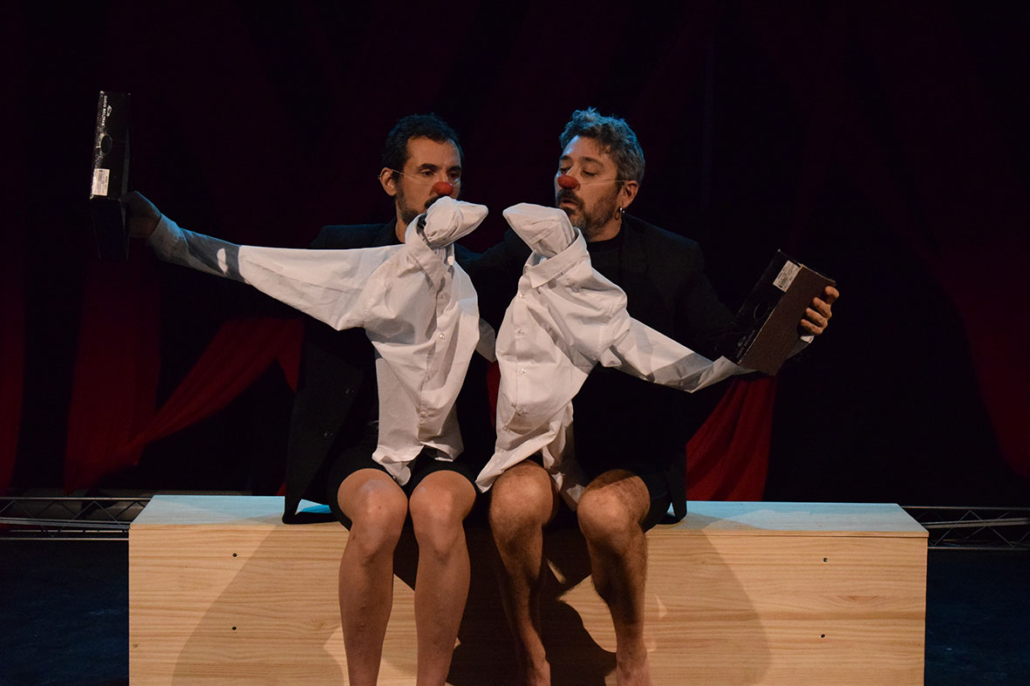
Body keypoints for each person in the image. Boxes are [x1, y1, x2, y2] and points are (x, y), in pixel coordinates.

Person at [474, 109, 838, 686]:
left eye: (588, 170)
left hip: (634, 453)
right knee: (512, 504)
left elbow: (725, 345)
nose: (567, 179)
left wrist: (794, 334)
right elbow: (461, 289)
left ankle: (631, 659)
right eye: (564, 165)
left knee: (603, 512)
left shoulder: (671, 257)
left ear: (626, 193)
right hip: (544, 449)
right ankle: (531, 656)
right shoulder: (527, 247)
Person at [125, 114, 491, 686]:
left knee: (438, 512)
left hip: (446, 453)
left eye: (454, 174)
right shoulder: (345, 252)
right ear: (390, 181)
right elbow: (259, 270)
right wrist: (164, 235)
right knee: (380, 511)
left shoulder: (475, 273)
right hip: (359, 449)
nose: (444, 186)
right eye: (427, 172)